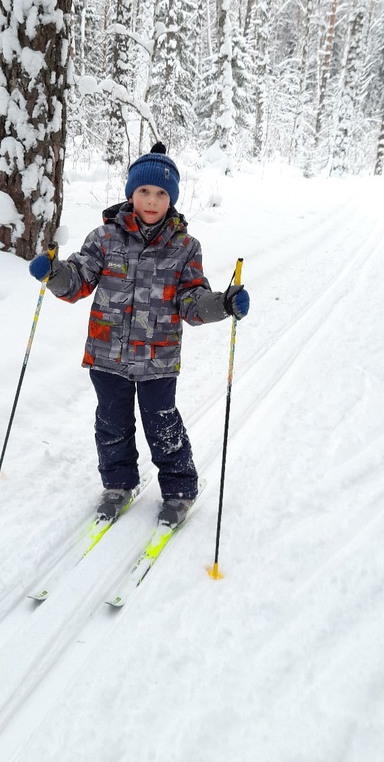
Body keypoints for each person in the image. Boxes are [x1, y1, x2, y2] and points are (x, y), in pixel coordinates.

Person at [29, 142, 250, 528]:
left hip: (158, 357)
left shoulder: (184, 247)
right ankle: (117, 484)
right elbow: (79, 280)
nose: (151, 200)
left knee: (162, 422)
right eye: (144, 191)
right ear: (131, 193)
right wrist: (54, 274)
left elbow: (191, 299)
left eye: (161, 193)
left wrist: (223, 305)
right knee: (111, 422)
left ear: (172, 200)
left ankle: (180, 489)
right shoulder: (104, 238)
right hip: (106, 353)